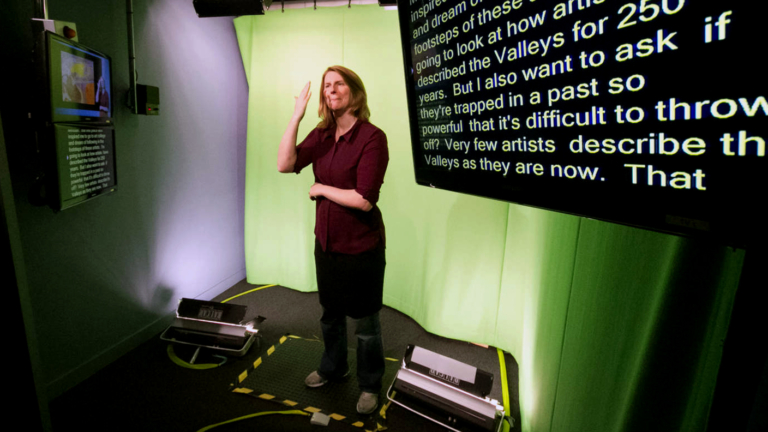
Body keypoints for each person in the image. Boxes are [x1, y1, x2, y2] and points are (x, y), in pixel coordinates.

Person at [277, 66, 389, 415]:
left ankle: (370, 384)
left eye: (339, 84)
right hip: (326, 242)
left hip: (361, 246)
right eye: (327, 86)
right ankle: (334, 367)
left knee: (365, 324)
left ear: (355, 92)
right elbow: (284, 164)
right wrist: (296, 116)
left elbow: (364, 199)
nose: (331, 90)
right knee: (330, 315)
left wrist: (322, 188)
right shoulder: (322, 134)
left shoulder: (372, 137)